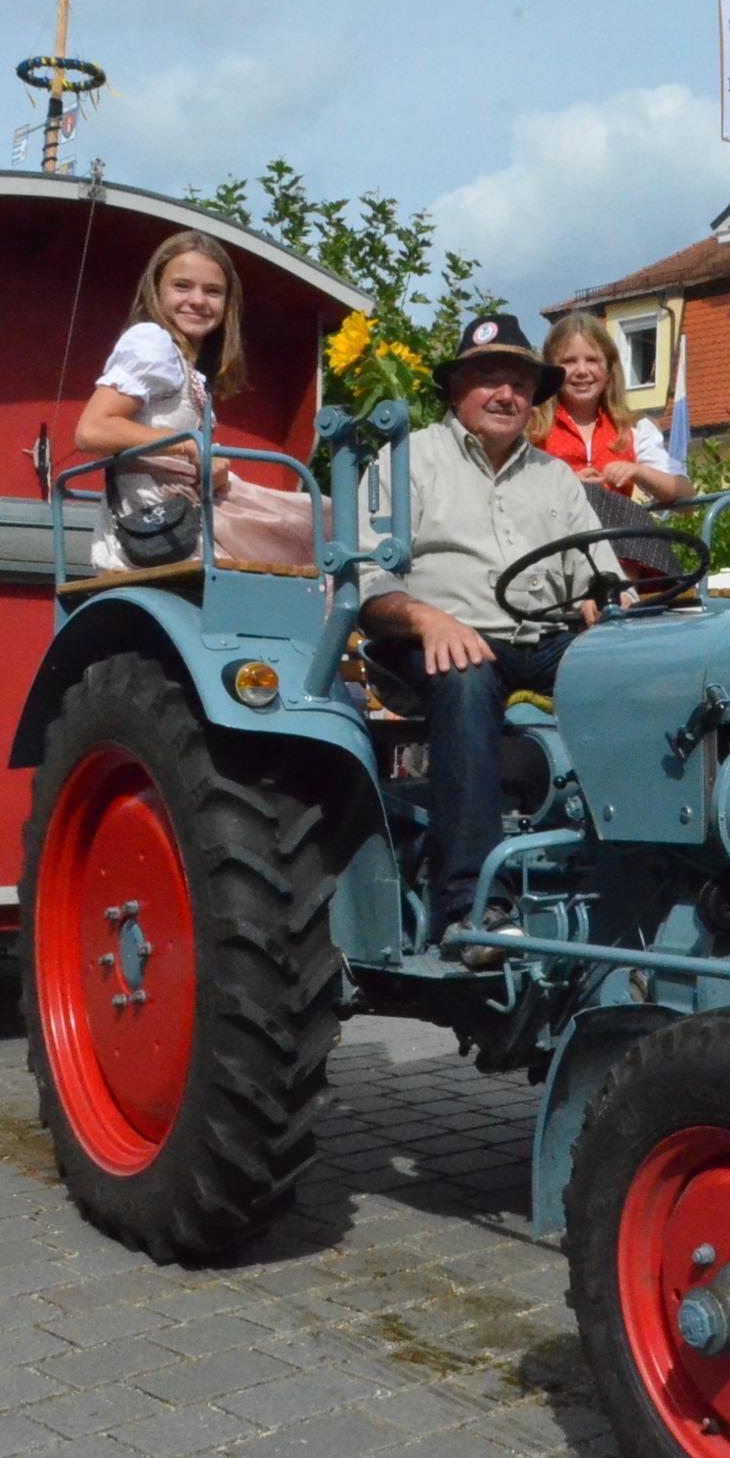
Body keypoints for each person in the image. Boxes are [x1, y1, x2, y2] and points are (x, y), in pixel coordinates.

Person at [358, 314, 620, 962]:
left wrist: (600, 601)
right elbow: (362, 579)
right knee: (468, 674)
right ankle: (475, 906)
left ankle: (637, 876)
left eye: (520, 383)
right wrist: (427, 618)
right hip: (436, 639)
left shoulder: (554, 477)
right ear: (456, 391)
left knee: (636, 673)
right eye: (487, 380)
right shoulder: (409, 458)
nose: (506, 394)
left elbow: (601, 572)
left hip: (540, 637)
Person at [75, 232, 312, 571]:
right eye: (182, 286)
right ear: (156, 291)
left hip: (186, 512)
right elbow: (93, 430)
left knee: (321, 521)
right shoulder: (150, 342)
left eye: (213, 291)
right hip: (157, 526)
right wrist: (188, 446)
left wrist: (207, 469)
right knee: (312, 537)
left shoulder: (188, 367)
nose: (198, 300)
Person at [530, 315, 693, 507]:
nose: (582, 370)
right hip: (554, 533)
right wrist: (566, 484)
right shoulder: (532, 426)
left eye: (592, 360)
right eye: (569, 361)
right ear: (552, 370)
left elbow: (687, 499)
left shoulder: (632, 429)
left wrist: (637, 472)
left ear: (608, 370)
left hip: (613, 533)